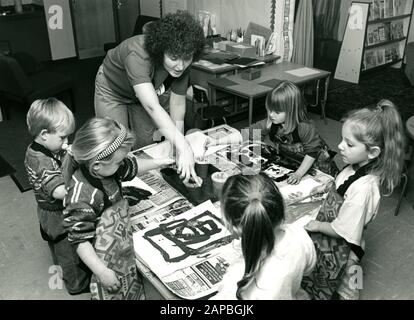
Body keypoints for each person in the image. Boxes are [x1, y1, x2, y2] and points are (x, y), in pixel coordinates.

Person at [303, 99, 405, 299]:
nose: (340, 146)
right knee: (332, 275)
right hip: (339, 242)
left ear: (373, 152)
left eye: (349, 144)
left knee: (351, 285)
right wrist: (329, 187)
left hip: (348, 249)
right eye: (342, 139)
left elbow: (342, 230)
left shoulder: (363, 189)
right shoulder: (356, 164)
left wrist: (316, 226)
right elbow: (344, 183)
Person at [62, 117, 173, 293]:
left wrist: (161, 162)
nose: (123, 163)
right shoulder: (82, 196)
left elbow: (132, 166)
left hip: (121, 245)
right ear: (97, 165)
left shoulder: (109, 169)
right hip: (100, 258)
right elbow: (80, 241)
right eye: (119, 161)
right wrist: (102, 272)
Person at [94, 11, 205, 185]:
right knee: (116, 144)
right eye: (174, 58)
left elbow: (177, 103)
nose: (181, 66)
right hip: (113, 90)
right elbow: (152, 106)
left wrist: (178, 146)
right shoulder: (138, 54)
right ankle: (116, 189)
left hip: (145, 94)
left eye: (187, 58)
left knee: (146, 142)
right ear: (160, 50)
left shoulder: (182, 60)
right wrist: (184, 147)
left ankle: (143, 185)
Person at [212, 173, 316, 300]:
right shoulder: (299, 234)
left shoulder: (236, 278)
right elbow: (308, 268)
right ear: (281, 207)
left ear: (233, 226)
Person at [24, 98, 90, 295]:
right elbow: (58, 191)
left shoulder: (45, 148)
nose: (66, 142)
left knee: (57, 245)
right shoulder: (39, 159)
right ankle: (76, 284)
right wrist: (83, 188)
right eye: (63, 138)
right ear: (44, 135)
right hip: (55, 213)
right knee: (67, 248)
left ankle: (61, 267)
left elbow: (61, 160)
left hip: (48, 210)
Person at [246, 81, 338, 183]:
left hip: (318, 165)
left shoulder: (304, 127)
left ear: (292, 111)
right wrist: (256, 146)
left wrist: (299, 173)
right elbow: (250, 132)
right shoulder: (271, 122)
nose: (271, 114)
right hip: (295, 162)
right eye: (269, 109)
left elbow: (312, 153)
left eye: (277, 112)